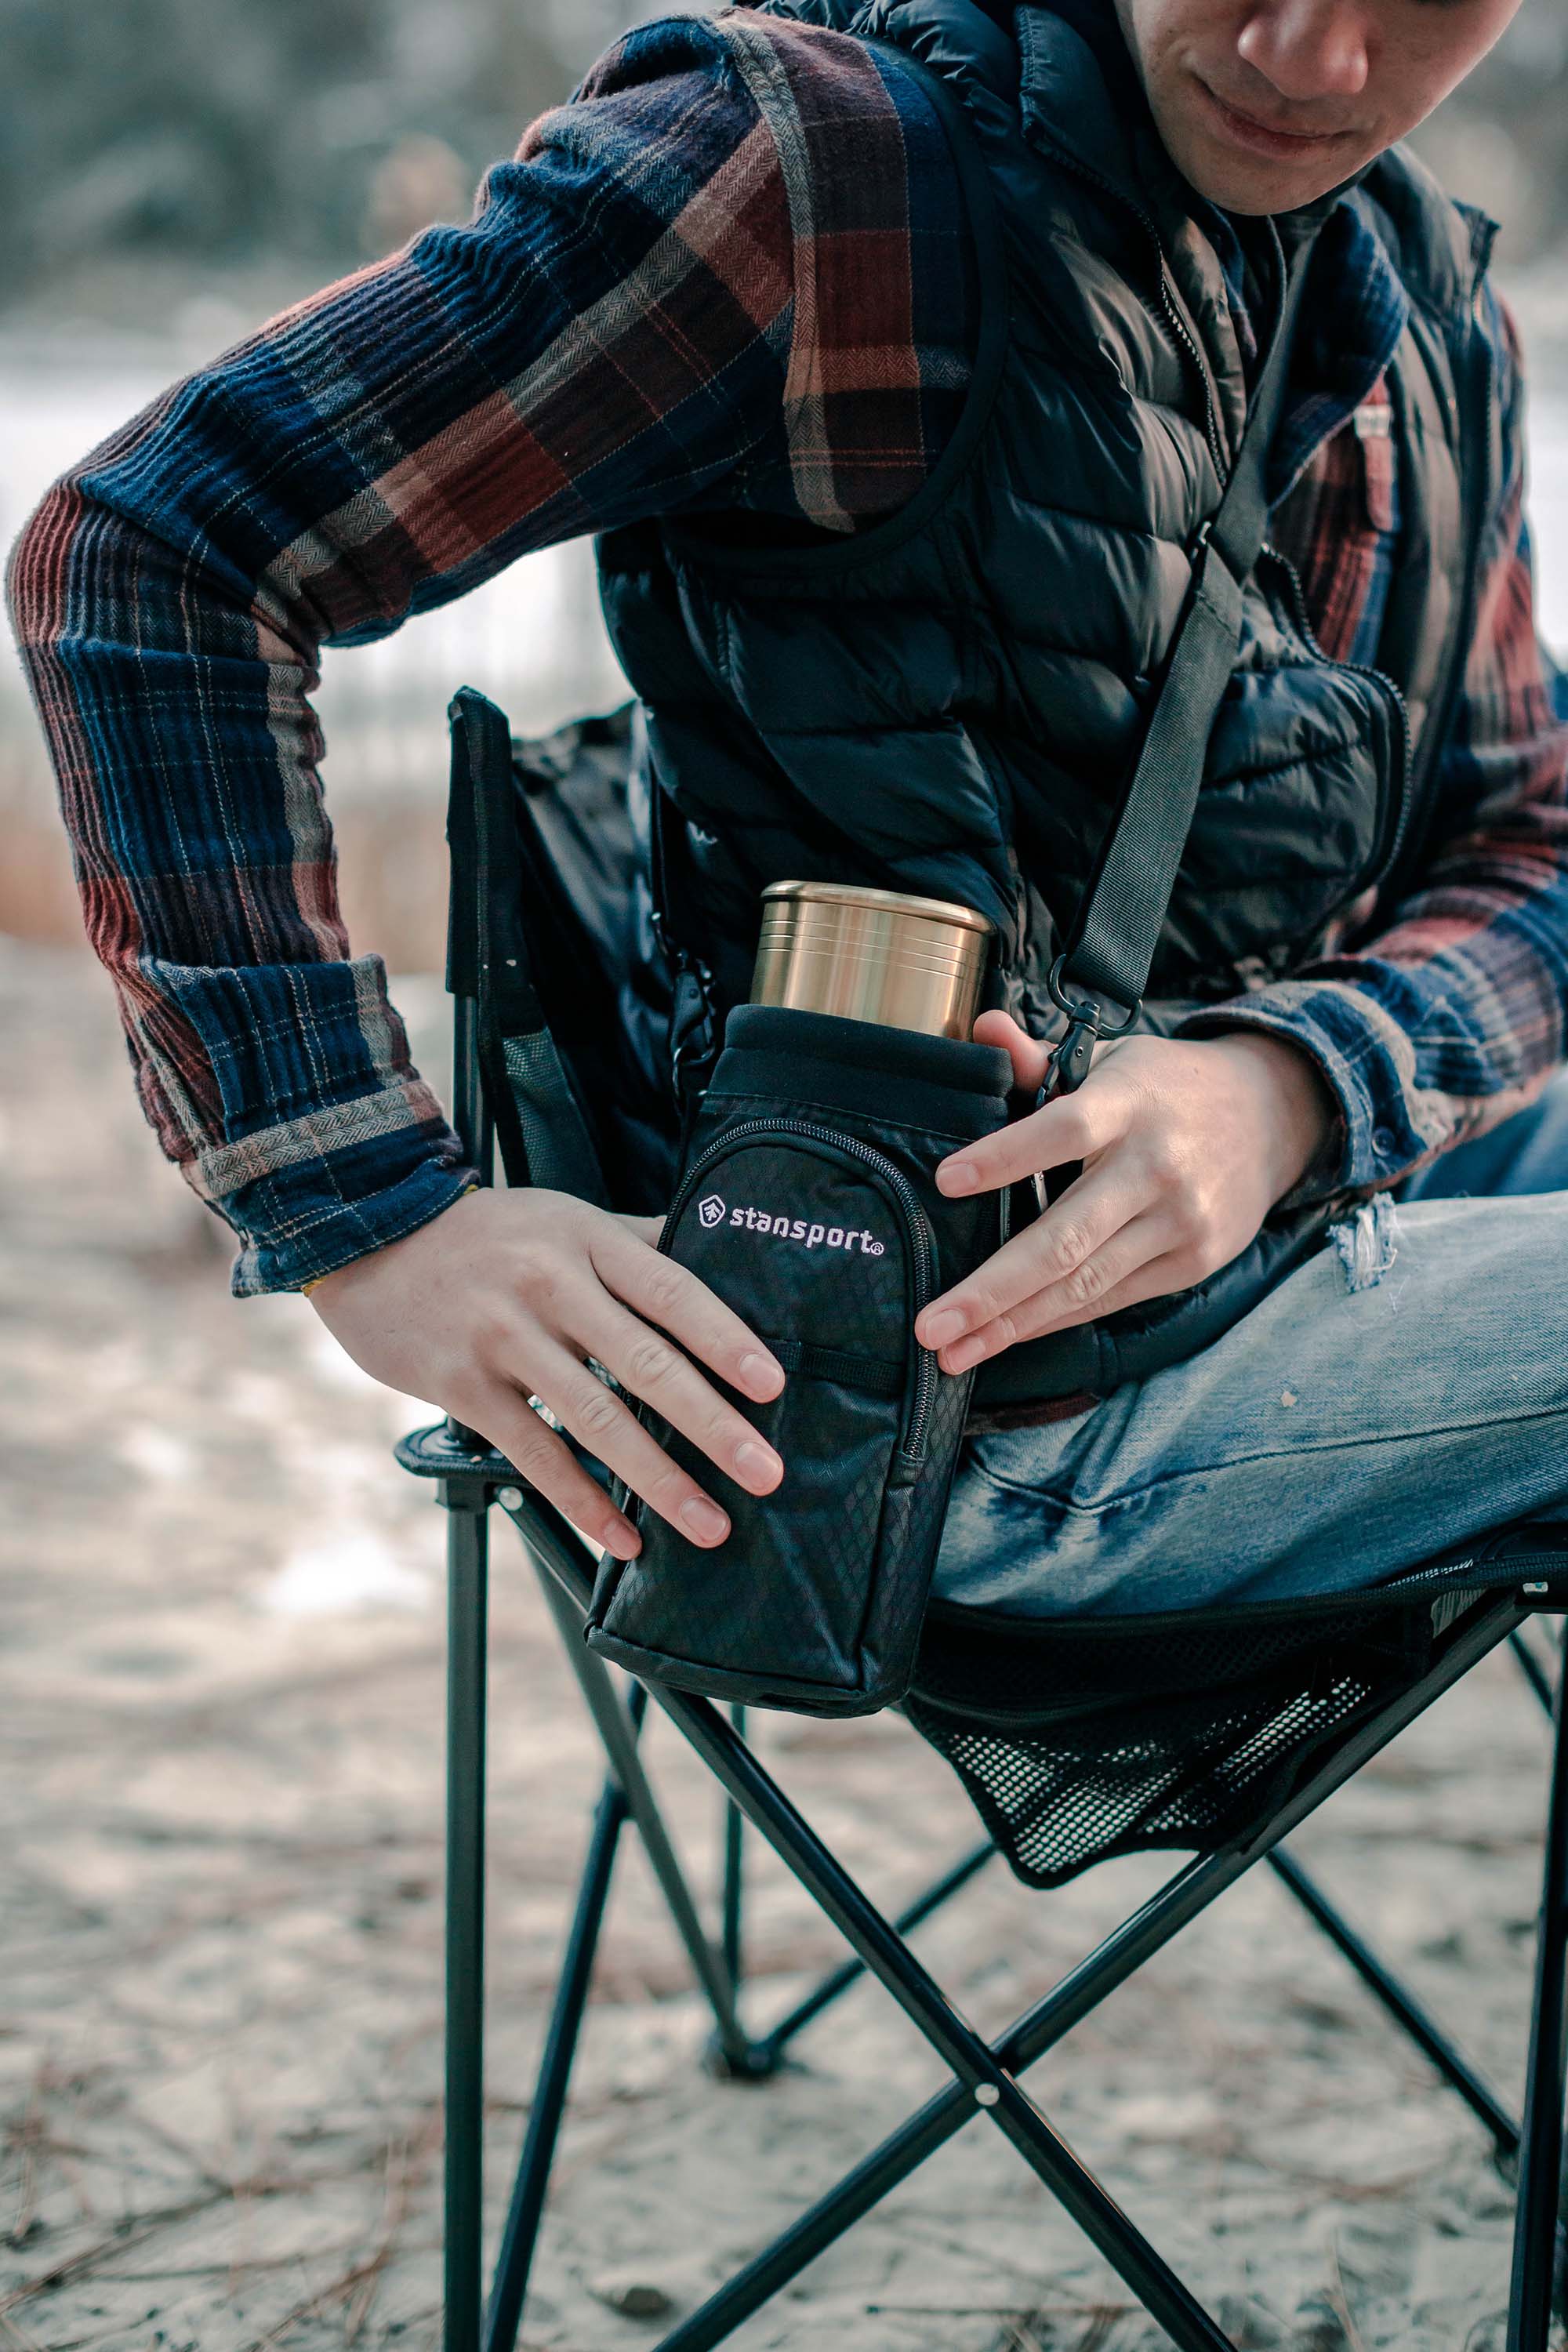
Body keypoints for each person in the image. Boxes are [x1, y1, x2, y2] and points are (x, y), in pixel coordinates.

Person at [9, 0, 1567, 1615]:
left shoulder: (1436, 316)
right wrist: (367, 1219)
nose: (1311, 56)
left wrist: (1291, 1090)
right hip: (932, 1407)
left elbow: (1537, 837)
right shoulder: (819, 187)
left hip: (1317, 1212)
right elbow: (150, 552)